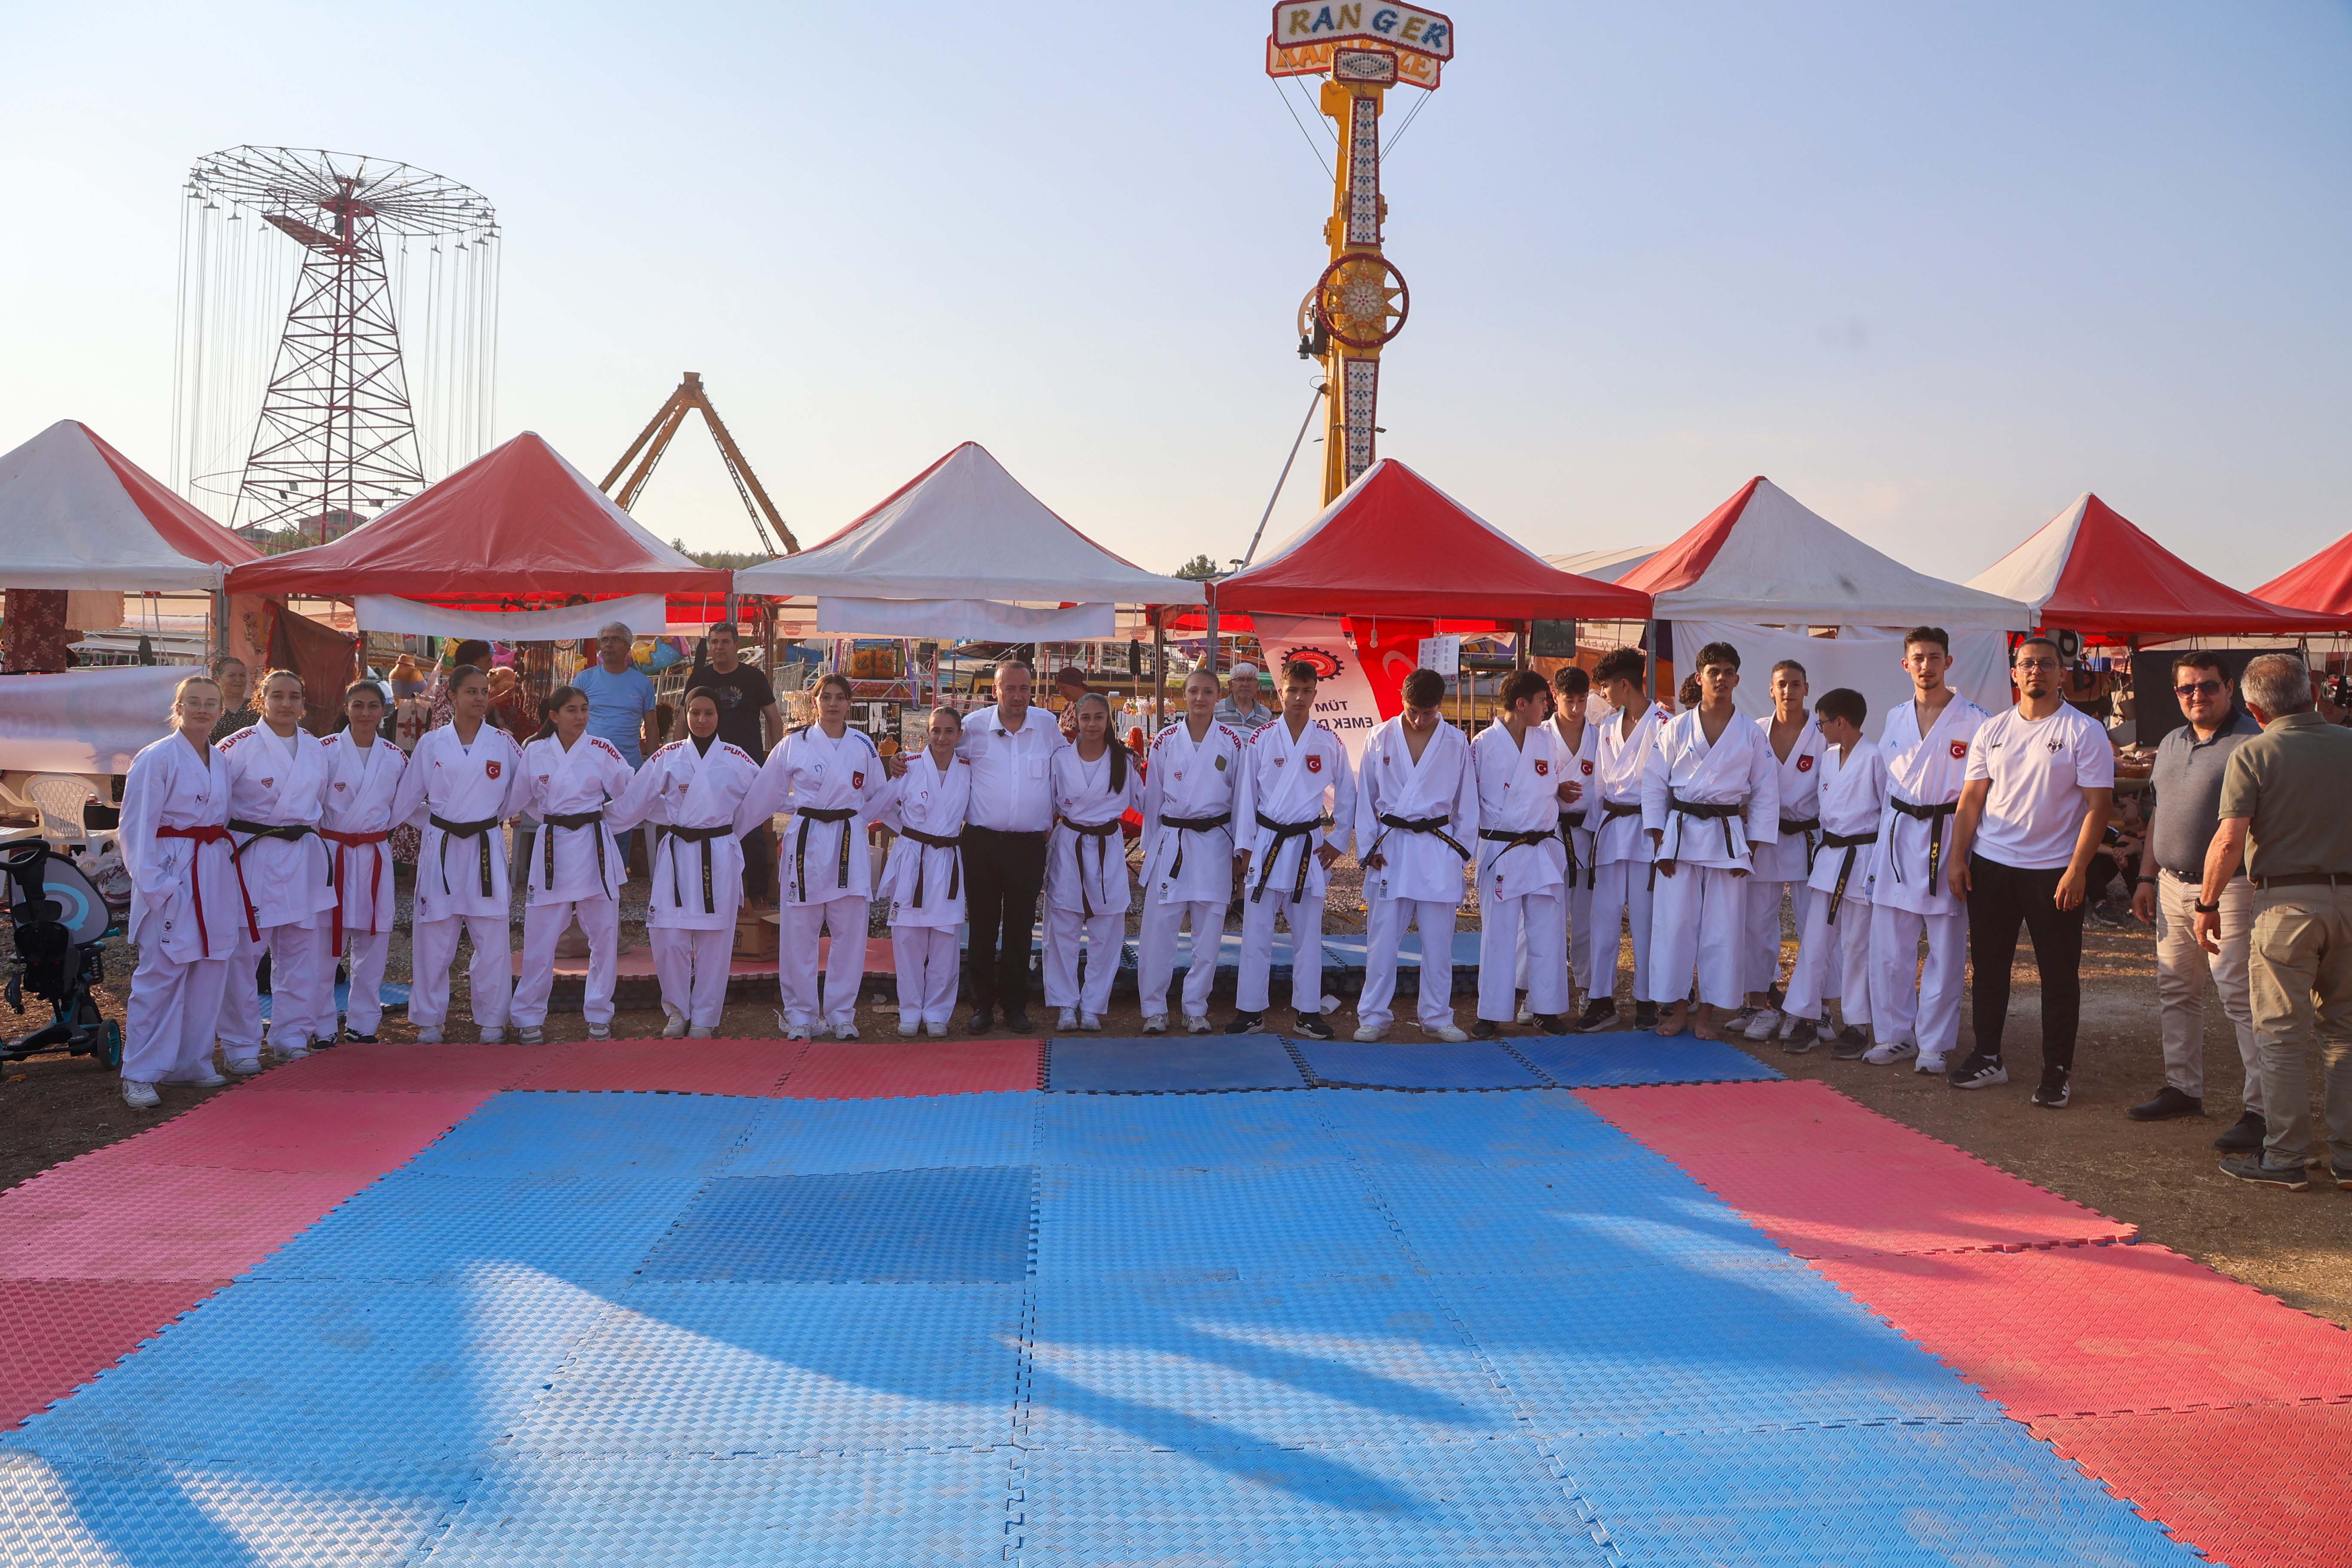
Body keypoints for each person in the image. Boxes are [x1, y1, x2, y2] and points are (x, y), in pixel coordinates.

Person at [2198, 652, 2352, 1189]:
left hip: (2285, 904)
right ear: (2314, 693)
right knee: (2345, 1031)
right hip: (2350, 898)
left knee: (2281, 1035)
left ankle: (2285, 1155)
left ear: (2256, 710)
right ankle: (2349, 1156)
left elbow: (2229, 840)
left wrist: (2207, 903)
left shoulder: (2254, 752)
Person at [1944, 637, 2116, 1105]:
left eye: (2046, 664)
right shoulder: (1993, 729)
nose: (2036, 670)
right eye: (2027, 664)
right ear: (2014, 674)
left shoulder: (2084, 731)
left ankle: (2057, 1071)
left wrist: (2078, 869)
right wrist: (1958, 857)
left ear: (2062, 673)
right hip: (1992, 866)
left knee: (2058, 975)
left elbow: (2099, 807)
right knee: (1989, 968)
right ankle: (1988, 1056)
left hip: (2053, 871)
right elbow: (1971, 800)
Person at [2130, 650, 2263, 1138]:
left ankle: (2262, 1111)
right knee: (2176, 990)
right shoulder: (2171, 742)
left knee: (2240, 997)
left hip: (2232, 887)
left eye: (2208, 685)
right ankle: (2182, 1089)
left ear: (2230, 688)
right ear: (2176, 694)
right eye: (2187, 688)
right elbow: (2160, 816)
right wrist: (2146, 878)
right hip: (2170, 883)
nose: (2197, 695)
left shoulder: (2252, 742)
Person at [116, 675, 247, 1107]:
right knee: (161, 973)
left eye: (210, 703)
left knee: (210, 968)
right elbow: (135, 828)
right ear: (179, 707)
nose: (203, 710)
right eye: (194, 702)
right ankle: (140, 1072)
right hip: (171, 869)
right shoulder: (157, 757)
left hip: (213, 870)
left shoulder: (220, 760)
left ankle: (191, 1062)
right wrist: (156, 886)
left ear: (221, 710)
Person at [739, 671, 892, 1040]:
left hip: (847, 842)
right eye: (826, 697)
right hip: (806, 842)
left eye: (840, 697)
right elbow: (766, 793)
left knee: (850, 933)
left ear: (850, 703)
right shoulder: (794, 744)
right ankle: (801, 1015)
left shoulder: (863, 746)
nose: (833, 704)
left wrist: (868, 821)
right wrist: (733, 833)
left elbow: (881, 797)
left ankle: (841, 1015)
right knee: (799, 935)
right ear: (815, 702)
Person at [1867, 627, 1991, 1077]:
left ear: (1948, 662)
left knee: (1945, 948)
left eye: (1934, 657)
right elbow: (1885, 785)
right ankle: (1894, 1035)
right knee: (1890, 946)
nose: (1926, 666)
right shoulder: (1895, 716)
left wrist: (1964, 853)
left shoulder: (1976, 720)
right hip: (1898, 837)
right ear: (1906, 665)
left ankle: (1934, 1044)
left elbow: (1981, 793)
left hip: (1948, 836)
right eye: (1918, 658)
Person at [1643, 642, 1780, 1041]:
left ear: (1737, 678)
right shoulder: (1676, 728)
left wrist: (1751, 847)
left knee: (1723, 929)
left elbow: (1766, 791)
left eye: (1728, 672)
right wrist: (1659, 839)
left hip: (1727, 839)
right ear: (1699, 677)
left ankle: (1707, 1014)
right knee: (1675, 926)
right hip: (1680, 834)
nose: (1721, 678)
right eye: (1713, 672)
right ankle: (1678, 1010)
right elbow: (1654, 784)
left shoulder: (1751, 733)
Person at [608, 688, 763, 1038]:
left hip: (718, 852)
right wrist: (595, 819)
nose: (702, 720)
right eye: (695, 713)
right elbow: (635, 801)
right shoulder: (668, 756)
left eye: (709, 713)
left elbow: (764, 799)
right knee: (669, 935)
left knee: (715, 939)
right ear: (684, 715)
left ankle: (706, 1016)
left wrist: (731, 831)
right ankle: (677, 1011)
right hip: (678, 853)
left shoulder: (737, 758)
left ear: (719, 716)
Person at [389, 663, 528, 1044]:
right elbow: (407, 798)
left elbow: (523, 789)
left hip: (485, 845)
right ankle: (430, 1019)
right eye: (471, 691)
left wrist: (491, 818)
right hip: (443, 847)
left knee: (492, 935)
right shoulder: (432, 743)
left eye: (484, 691)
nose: (480, 698)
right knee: (434, 934)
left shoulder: (503, 742)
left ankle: (493, 1019)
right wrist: (432, 823)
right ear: (451, 696)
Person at [213, 670, 338, 1071]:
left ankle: (291, 1036)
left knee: (300, 953)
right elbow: (217, 805)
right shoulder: (236, 746)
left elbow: (320, 802)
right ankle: (240, 1046)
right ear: (262, 699)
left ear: (303, 702)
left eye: (294, 697)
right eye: (278, 696)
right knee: (244, 955)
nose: (286, 704)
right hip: (253, 856)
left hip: (301, 856)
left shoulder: (316, 748)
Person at [1231, 658, 1354, 1037]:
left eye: (1306, 691)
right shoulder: (1262, 738)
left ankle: (1307, 1012)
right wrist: (1245, 847)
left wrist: (1338, 840)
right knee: (1256, 933)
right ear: (1280, 693)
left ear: (1315, 694)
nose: (1299, 698)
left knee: (1308, 937)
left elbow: (1348, 794)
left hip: (1307, 846)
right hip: (1267, 843)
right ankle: (1250, 1011)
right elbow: (1246, 797)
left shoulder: (1329, 741)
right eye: (1293, 691)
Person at [1356, 667, 1479, 1043]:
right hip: (1391, 848)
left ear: (1440, 706)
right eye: (1413, 711)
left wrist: (1460, 851)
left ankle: (1437, 1016)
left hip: (1437, 848)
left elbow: (1467, 802)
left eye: (1428, 712)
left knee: (1439, 944)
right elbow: (1365, 796)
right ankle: (1374, 1016)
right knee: (1382, 941)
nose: (1419, 720)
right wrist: (1369, 847)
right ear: (1402, 700)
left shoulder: (1456, 741)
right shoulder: (1379, 736)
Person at [509, 686, 636, 1044]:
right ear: (554, 716)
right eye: (571, 710)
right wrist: (554, 819)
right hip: (552, 847)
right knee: (539, 937)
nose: (580, 717)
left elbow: (631, 792)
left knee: (604, 936)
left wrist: (607, 821)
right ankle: (528, 1015)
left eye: (584, 709)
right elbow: (521, 800)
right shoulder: (535, 751)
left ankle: (599, 1012)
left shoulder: (602, 749)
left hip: (594, 845)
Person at [957, 658, 1068, 1032]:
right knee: (983, 927)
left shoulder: (1048, 725)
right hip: (982, 843)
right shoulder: (972, 727)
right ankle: (982, 1006)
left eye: (1025, 689)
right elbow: (940, 757)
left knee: (1021, 928)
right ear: (995, 691)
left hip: (1028, 846)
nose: (1018, 696)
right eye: (1010, 688)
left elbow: (1068, 766)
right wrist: (900, 763)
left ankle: (1016, 1007)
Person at [1137, 668, 1244, 1034]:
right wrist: (1151, 849)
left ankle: (1195, 1007)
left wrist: (1240, 852)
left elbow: (1241, 800)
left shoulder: (1232, 741)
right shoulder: (1165, 740)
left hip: (1215, 843)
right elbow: (1153, 800)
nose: (1201, 698)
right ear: (1184, 696)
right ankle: (1154, 1009)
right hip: (1173, 841)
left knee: (1209, 933)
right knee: (1159, 931)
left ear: (1218, 696)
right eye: (1194, 691)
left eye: (1208, 692)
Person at [1781, 688, 1883, 1055]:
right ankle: (1805, 1017)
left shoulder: (1875, 758)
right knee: (1815, 940)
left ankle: (1857, 1025)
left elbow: (1888, 814)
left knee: (1856, 944)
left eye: (1822, 722)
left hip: (1862, 857)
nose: (1820, 728)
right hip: (1829, 858)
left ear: (1841, 722)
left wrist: (1879, 867)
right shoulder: (1827, 758)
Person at [1472, 669, 1573, 1035]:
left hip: (1542, 848)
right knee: (1498, 934)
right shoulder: (1483, 744)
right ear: (1521, 704)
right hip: (1502, 848)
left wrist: (1560, 790)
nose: (1547, 707)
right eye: (1543, 701)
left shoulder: (1545, 740)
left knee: (1547, 932)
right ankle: (1491, 1013)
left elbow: (1544, 786)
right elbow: (1468, 800)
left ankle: (1546, 1009)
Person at [1584, 649, 1673, 1031]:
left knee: (1645, 920)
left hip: (1647, 831)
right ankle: (1600, 998)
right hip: (1610, 829)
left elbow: (1671, 787)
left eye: (1606, 687)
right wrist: (1594, 833)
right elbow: (1599, 785)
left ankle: (1647, 999)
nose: (1603, 694)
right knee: (1603, 919)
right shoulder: (1607, 726)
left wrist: (1666, 838)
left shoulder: (1666, 724)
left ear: (1624, 685)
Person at [1740, 660, 1828, 1041]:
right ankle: (1759, 1004)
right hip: (1765, 837)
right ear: (1771, 690)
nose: (1788, 691)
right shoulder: (1755, 731)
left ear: (1807, 688)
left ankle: (1817, 1008)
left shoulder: (1823, 735)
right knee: (1757, 923)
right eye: (1782, 684)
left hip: (1811, 838)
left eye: (1795, 684)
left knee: (1815, 925)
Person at [1043, 693, 1142, 1031]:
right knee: (1063, 929)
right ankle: (1065, 1005)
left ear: (1109, 720)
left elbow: (1147, 800)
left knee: (1107, 929)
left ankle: (1093, 1007)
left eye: (1099, 717)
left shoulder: (1124, 760)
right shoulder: (1060, 759)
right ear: (1076, 720)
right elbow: (1047, 806)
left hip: (1107, 846)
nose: (1092, 724)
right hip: (1069, 844)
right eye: (1086, 717)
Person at [316, 680, 407, 1044]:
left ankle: (363, 1023)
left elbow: (408, 805)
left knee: (374, 939)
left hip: (373, 854)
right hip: (332, 853)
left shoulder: (396, 757)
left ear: (384, 710)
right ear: (346, 708)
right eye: (358, 705)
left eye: (373, 706)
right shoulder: (324, 751)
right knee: (325, 942)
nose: (366, 713)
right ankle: (322, 1026)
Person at [873, 707, 971, 1038]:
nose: (942, 738)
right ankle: (910, 1010)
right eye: (936, 731)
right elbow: (880, 805)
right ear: (926, 733)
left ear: (960, 735)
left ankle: (938, 1013)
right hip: (913, 857)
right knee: (908, 939)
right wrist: (908, 830)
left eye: (949, 731)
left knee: (946, 940)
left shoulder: (968, 770)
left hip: (947, 860)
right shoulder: (909, 766)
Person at [1521, 665, 1602, 1029]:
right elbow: (1524, 784)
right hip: (1549, 836)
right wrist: (1554, 790)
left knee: (1586, 921)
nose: (1576, 708)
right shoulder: (1537, 736)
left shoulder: (1600, 737)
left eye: (1583, 700)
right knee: (1542, 921)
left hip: (1586, 835)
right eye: (1569, 700)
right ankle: (1533, 994)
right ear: (1555, 696)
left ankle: (1587, 988)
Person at [689, 622, 782, 905]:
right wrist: (679, 755)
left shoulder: (753, 677)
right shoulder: (700, 677)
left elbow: (774, 719)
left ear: (736, 645)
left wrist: (776, 761)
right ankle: (709, 892)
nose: (719, 647)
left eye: (725, 642)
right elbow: (684, 718)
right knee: (708, 827)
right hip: (706, 766)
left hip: (748, 766)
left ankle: (757, 894)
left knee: (751, 828)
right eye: (714, 642)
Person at [572, 622, 661, 868]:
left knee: (622, 823)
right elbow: (569, 721)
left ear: (628, 646)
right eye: (605, 640)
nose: (608, 645)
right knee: (584, 821)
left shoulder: (642, 683)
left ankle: (615, 873)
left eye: (615, 639)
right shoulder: (584, 679)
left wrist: (655, 766)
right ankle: (585, 872)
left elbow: (652, 727)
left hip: (627, 767)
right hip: (588, 766)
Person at [206, 656, 256, 745]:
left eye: (242, 676)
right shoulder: (208, 709)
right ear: (217, 679)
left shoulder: (257, 707)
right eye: (231, 676)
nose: (238, 680)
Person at [1214, 662, 1277, 733]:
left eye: (1250, 680)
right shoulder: (1216, 710)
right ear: (1231, 684)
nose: (1245, 684)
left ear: (1258, 685)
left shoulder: (1266, 715)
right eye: (1240, 679)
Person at [1053, 666, 1093, 741]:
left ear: (1076, 685)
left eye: (1064, 688)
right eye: (1059, 690)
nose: (1061, 693)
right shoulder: (1067, 706)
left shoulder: (1094, 705)